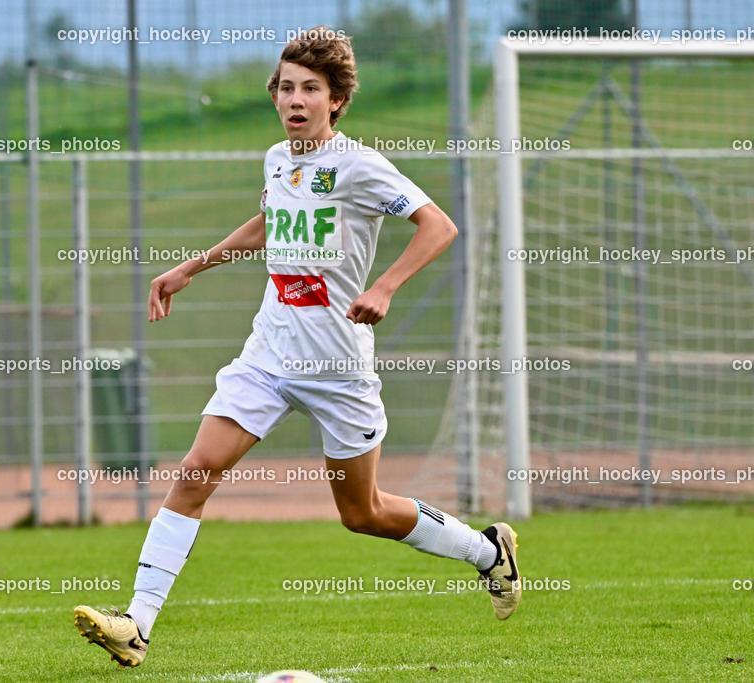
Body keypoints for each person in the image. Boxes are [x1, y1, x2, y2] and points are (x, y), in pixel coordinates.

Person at [74, 26, 520, 668]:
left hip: (339, 368)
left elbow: (438, 225)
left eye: (311, 88)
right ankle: (136, 624)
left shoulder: (359, 165)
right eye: (286, 87)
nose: (295, 99)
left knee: (362, 513)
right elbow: (267, 222)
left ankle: (487, 551)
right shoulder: (277, 160)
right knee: (196, 474)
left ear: (336, 100)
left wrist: (386, 286)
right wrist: (189, 268)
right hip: (269, 355)